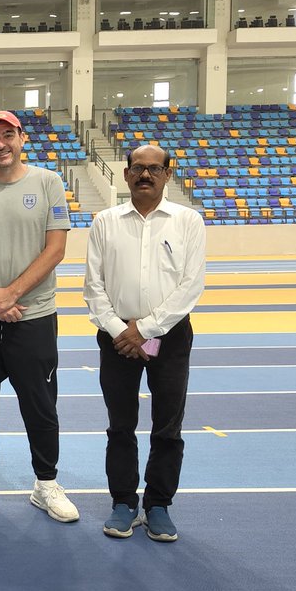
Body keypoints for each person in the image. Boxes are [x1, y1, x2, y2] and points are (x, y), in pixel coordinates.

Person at [0, 110, 78, 522]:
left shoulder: (48, 183)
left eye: (8, 135)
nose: (1, 144)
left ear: (21, 138)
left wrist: (12, 294)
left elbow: (55, 250)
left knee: (40, 405)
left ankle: (45, 484)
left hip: (34, 315)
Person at [83, 143, 206, 542]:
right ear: (126, 174)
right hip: (116, 340)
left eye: (155, 168)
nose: (146, 175)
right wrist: (122, 331)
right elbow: (93, 287)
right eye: (138, 168)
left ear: (168, 174)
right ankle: (123, 502)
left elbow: (190, 287)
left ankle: (158, 505)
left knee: (167, 427)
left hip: (170, 338)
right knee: (121, 425)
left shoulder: (188, 221)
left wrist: (146, 329)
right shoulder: (105, 221)